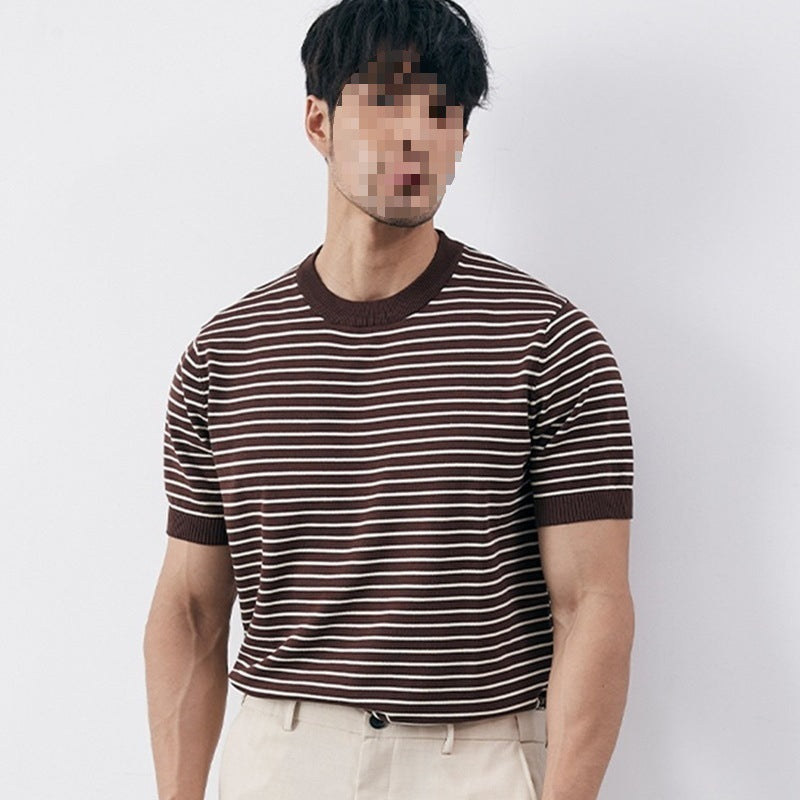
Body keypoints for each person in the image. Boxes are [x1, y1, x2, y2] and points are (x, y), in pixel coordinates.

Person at [143, 1, 635, 798]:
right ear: (319, 121)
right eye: (385, 101)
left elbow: (593, 605)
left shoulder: (547, 340)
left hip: (474, 758)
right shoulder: (226, 354)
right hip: (280, 753)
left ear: (462, 139)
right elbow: (192, 609)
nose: (416, 135)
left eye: (443, 112)